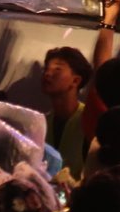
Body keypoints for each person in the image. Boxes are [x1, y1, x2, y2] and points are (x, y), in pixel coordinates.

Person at [40, 45, 95, 178]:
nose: (47, 73)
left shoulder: (89, 119)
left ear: (75, 81)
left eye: (57, 69)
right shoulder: (42, 122)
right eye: (46, 69)